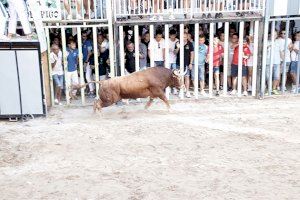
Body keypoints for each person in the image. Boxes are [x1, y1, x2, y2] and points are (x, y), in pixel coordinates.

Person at [175, 32, 194, 98]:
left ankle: (187, 91)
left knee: (187, 77)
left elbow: (192, 54)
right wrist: (178, 47)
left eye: (185, 37)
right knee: (180, 77)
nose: (184, 38)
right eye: (183, 37)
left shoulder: (190, 43)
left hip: (187, 63)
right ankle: (181, 90)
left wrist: (191, 63)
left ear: (187, 37)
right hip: (179, 63)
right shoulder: (178, 43)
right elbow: (175, 53)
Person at [81, 32, 94, 97]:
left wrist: (86, 62)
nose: (84, 37)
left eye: (85, 36)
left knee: (87, 76)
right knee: (89, 76)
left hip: (88, 61)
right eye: (83, 36)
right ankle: (91, 89)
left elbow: (90, 52)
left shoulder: (88, 42)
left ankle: (91, 91)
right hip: (84, 61)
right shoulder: (82, 43)